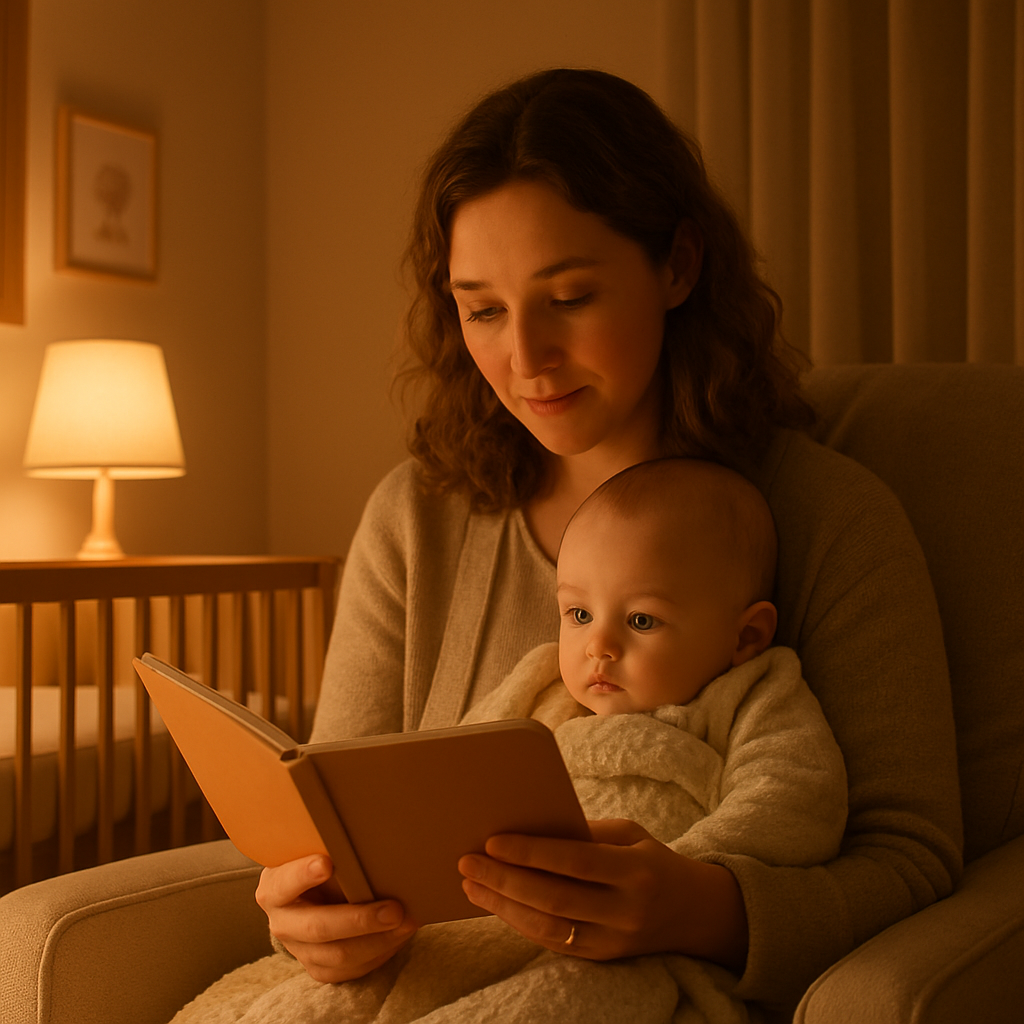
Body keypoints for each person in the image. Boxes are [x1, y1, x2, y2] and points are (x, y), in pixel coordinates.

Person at [237, 67, 961, 1020]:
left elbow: (913, 858)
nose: (524, 359)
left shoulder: (829, 517)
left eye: (569, 297)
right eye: (482, 309)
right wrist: (309, 914)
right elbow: (333, 823)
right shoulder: (415, 518)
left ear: (678, 266)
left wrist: (703, 908)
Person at [172, 457, 848, 1024]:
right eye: (579, 613)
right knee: (318, 1003)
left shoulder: (752, 691)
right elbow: (447, 763)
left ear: (746, 636)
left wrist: (694, 879)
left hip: (628, 941)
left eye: (642, 619)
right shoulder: (542, 684)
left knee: (566, 1002)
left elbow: (794, 797)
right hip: (475, 917)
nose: (598, 646)